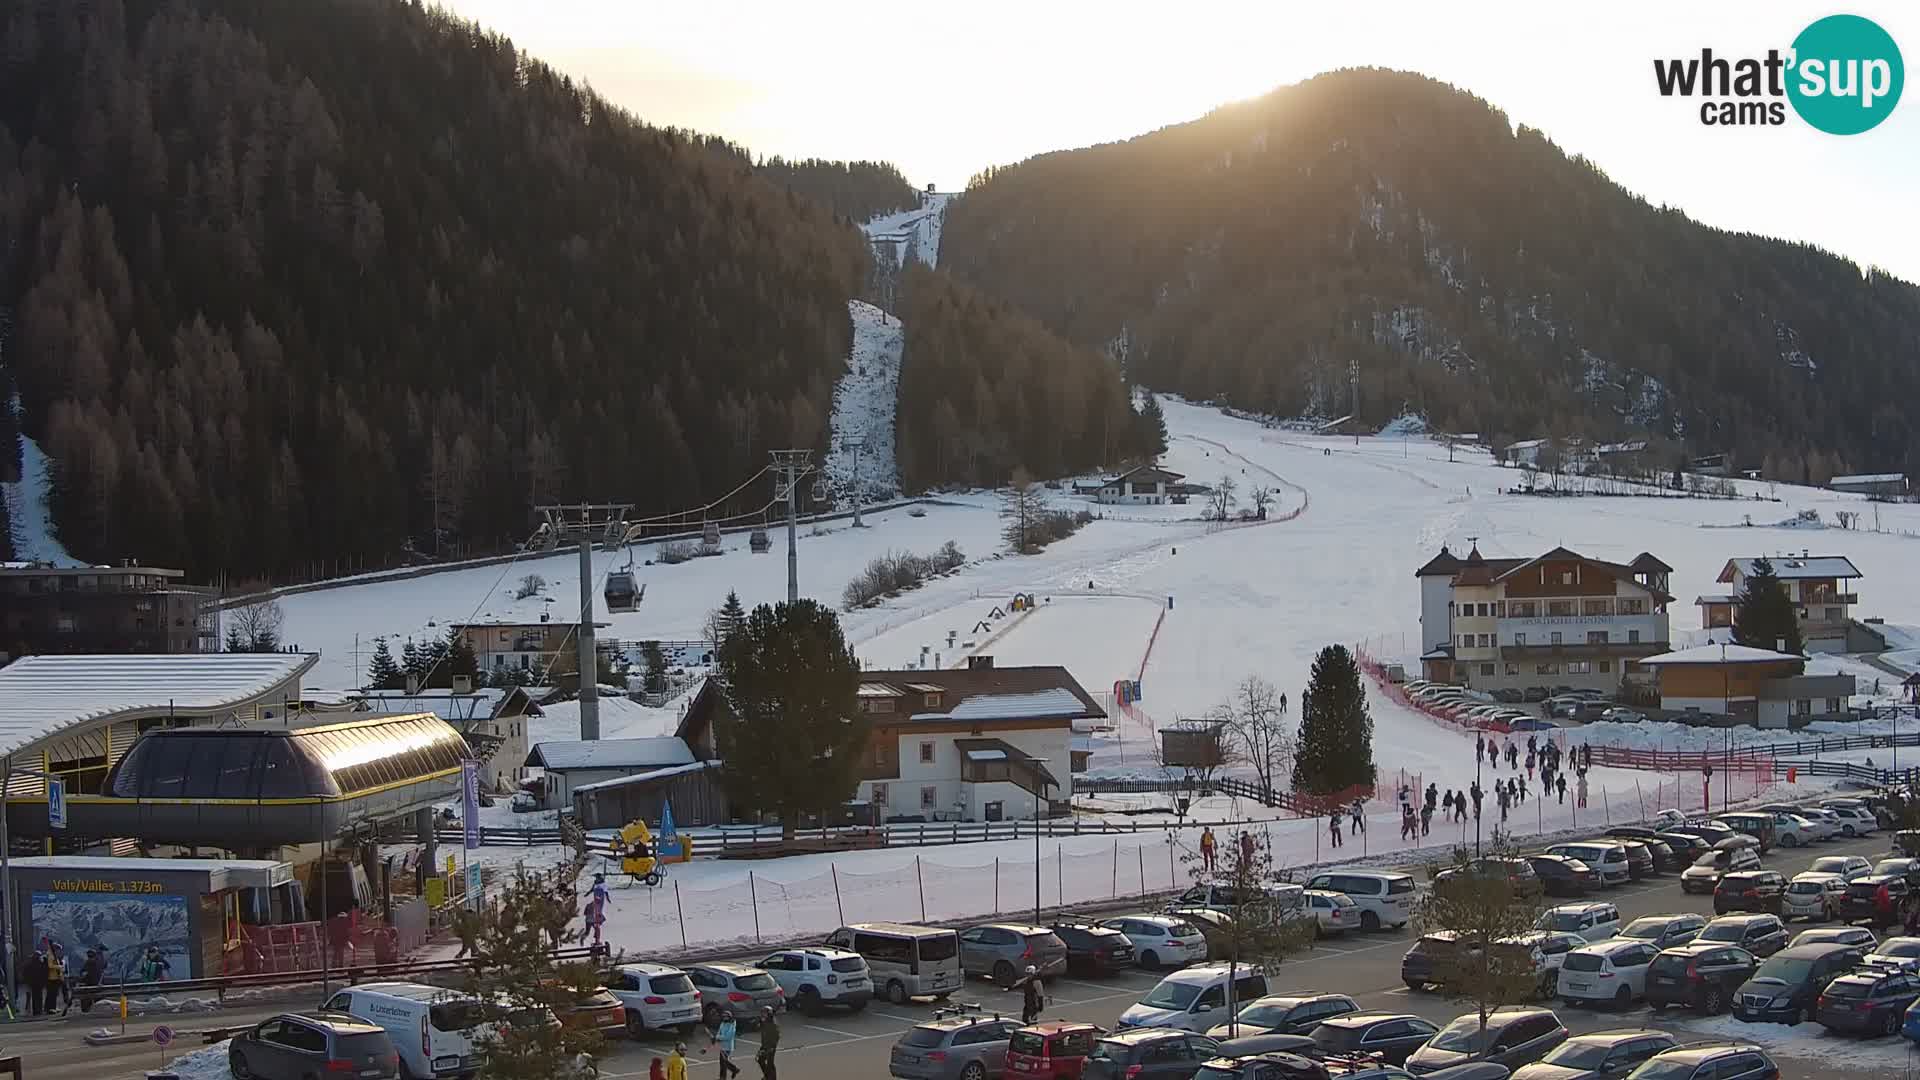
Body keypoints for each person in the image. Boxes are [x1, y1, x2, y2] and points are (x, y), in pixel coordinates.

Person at [714, 1009, 742, 1080]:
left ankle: (734, 1070)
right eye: (724, 1017)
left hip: (728, 1047)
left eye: (726, 1017)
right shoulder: (722, 1023)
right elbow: (719, 1032)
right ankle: (729, 1073)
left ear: (730, 1017)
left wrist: (718, 1037)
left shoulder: (732, 1026)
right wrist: (716, 1037)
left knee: (724, 1062)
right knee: (722, 1062)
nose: (725, 1018)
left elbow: (728, 1037)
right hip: (722, 1046)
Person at [78, 946, 105, 1014]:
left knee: (85, 993)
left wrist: (81, 979)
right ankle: (97, 1008)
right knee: (96, 994)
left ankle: (86, 1009)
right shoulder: (99, 963)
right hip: (98, 986)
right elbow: (102, 973)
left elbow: (83, 974)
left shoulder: (88, 963)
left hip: (91, 986)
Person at [757, 1006, 780, 1080]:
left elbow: (777, 1036)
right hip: (764, 1045)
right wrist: (759, 1023)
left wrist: (772, 1047)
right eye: (762, 1013)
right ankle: (767, 1076)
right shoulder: (764, 1021)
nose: (763, 1015)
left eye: (765, 1013)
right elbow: (759, 1029)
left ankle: (771, 1078)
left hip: (770, 1046)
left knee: (770, 1063)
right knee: (760, 1059)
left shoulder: (773, 1024)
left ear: (769, 1014)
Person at [45, 942, 67, 1015]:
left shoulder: (54, 955)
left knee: (55, 993)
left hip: (55, 977)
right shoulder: (51, 956)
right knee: (52, 993)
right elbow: (50, 966)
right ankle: (51, 1008)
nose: (59, 951)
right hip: (52, 977)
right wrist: (59, 966)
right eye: (58, 950)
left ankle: (54, 1007)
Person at [24, 950, 47, 1016]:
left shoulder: (29, 964)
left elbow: (25, 974)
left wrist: (28, 982)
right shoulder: (41, 964)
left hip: (32, 984)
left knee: (34, 997)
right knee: (39, 997)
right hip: (39, 983)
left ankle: (35, 1011)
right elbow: (44, 973)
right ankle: (39, 1010)